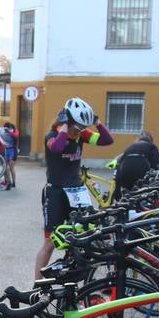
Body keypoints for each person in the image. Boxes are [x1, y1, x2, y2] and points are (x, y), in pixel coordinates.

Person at [34, 97, 113, 281]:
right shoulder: (52, 136)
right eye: (77, 128)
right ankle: (36, 285)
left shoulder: (82, 135)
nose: (80, 132)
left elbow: (107, 140)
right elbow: (58, 148)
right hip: (56, 193)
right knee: (50, 242)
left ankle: (74, 279)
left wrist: (97, 122)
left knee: (83, 237)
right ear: (66, 121)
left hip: (77, 192)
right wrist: (62, 126)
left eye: (82, 128)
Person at [112, 131, 159, 201]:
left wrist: (117, 187)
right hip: (140, 168)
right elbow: (156, 164)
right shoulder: (152, 146)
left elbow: (119, 164)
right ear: (151, 141)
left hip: (126, 170)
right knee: (142, 191)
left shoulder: (131, 146)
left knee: (129, 192)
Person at [0, 121, 19, 188]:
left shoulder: (15, 131)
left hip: (13, 150)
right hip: (6, 150)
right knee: (5, 167)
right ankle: (7, 181)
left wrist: (10, 131)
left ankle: (14, 182)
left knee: (11, 168)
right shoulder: (3, 132)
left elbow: (16, 135)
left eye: (7, 128)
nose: (6, 130)